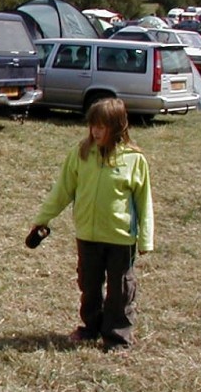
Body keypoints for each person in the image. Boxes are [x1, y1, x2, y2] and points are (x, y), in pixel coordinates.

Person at [31, 98, 153, 351]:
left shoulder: (134, 159)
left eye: (102, 126)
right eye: (93, 125)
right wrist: (42, 220)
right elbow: (62, 191)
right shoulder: (81, 153)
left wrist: (145, 239)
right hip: (88, 235)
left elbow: (144, 202)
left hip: (120, 237)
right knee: (89, 286)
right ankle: (90, 328)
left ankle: (117, 336)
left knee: (120, 290)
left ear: (117, 126)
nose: (96, 131)